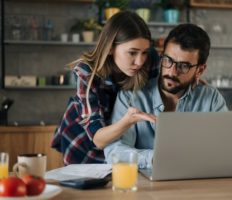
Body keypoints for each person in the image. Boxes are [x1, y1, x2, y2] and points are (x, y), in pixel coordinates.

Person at [104, 24, 228, 169]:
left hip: (198, 184)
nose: (172, 72)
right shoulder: (131, 96)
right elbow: (115, 152)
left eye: (183, 66)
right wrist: (155, 158)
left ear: (199, 70)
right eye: (167, 60)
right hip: (146, 187)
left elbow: (225, 148)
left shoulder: (211, 99)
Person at [51, 11, 159, 165]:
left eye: (144, 53)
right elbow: (98, 140)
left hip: (123, 142)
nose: (140, 61)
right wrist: (127, 121)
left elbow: (169, 79)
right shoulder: (87, 71)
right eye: (132, 53)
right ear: (110, 48)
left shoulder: (151, 59)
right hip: (86, 141)